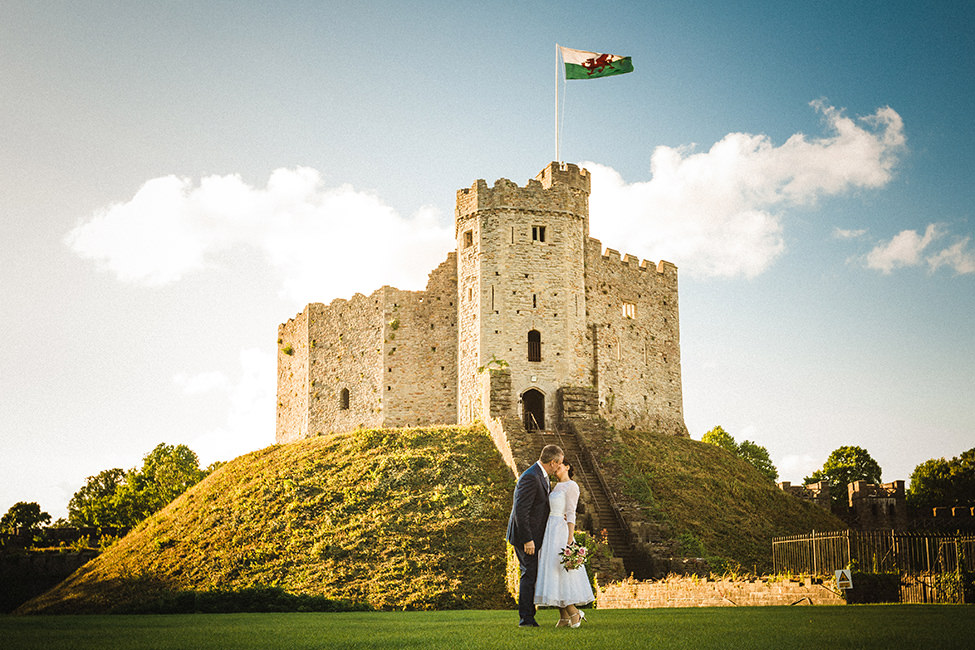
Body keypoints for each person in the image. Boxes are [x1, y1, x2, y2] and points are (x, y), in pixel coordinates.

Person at [506, 444, 564, 627]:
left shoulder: (542, 476)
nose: (560, 467)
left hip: (534, 535)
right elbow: (520, 511)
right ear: (553, 462)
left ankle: (529, 616)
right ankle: (526, 619)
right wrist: (528, 540)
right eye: (560, 463)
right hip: (526, 537)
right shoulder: (531, 477)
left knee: (532, 573)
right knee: (528, 574)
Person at [534, 462, 594, 628]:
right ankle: (564, 616)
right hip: (550, 530)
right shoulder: (555, 486)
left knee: (561, 570)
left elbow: (571, 512)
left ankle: (575, 613)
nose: (557, 467)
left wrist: (569, 538)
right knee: (553, 571)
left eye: (560, 464)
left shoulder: (572, 486)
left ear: (567, 466)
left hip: (561, 530)